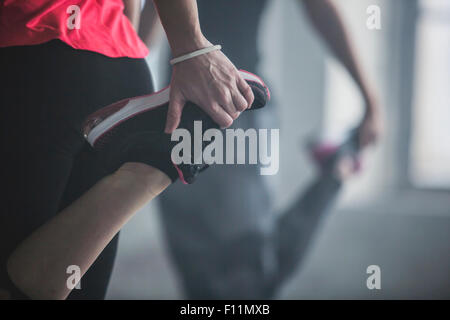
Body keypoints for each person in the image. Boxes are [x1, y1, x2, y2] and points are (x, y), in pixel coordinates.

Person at [0, 0, 260, 300]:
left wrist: (193, 48)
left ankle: (149, 169)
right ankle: (149, 168)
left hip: (27, 57)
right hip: (117, 59)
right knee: (69, 287)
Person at [136, 0, 383, 299]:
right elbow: (154, 14)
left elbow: (320, 8)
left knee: (239, 277)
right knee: (213, 280)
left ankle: (335, 172)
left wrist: (371, 100)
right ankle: (336, 171)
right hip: (180, 113)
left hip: (231, 108)